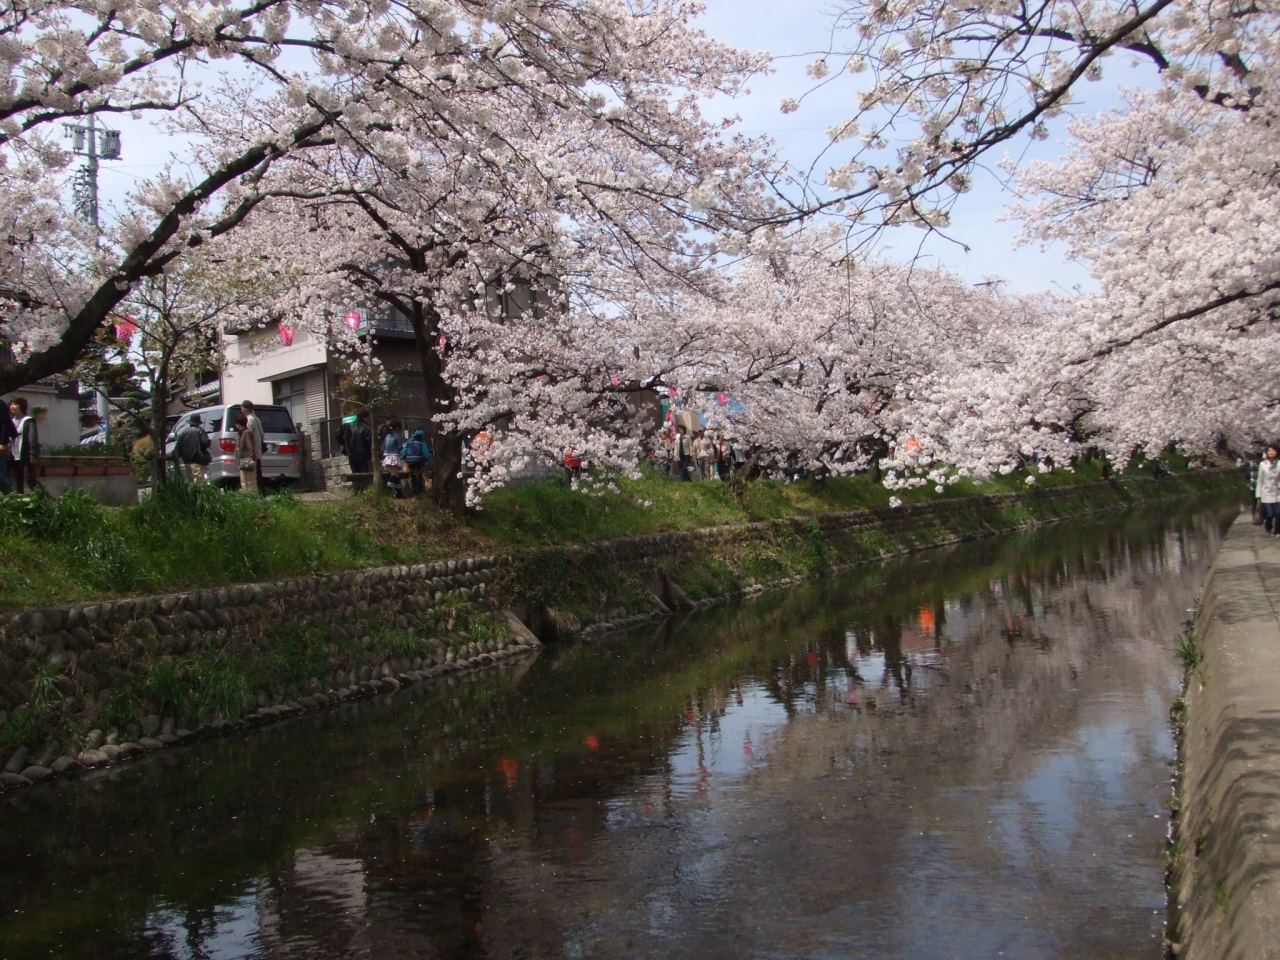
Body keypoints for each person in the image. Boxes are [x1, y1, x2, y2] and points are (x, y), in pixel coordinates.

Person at [9, 397, 39, 494]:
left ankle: (42, 499)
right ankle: (20, 502)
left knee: (30, 480)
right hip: (13, 456)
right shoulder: (11, 421)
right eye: (11, 404)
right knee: (17, 482)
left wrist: (33, 453)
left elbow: (32, 437)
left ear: (21, 406)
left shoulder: (28, 421)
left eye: (15, 404)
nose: (12, 407)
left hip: (24, 455)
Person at [174, 414, 212, 482]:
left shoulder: (184, 432)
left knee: (191, 480)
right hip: (197, 459)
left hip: (187, 461)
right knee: (199, 481)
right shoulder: (200, 431)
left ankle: (193, 492)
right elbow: (206, 443)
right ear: (198, 423)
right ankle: (199, 492)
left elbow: (178, 447)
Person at [240, 400, 265, 495]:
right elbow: (262, 434)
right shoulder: (256, 419)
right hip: (257, 451)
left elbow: (248, 436)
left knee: (252, 479)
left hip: (252, 453)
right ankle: (261, 495)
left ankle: (257, 497)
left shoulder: (249, 420)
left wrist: (249, 453)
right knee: (258, 476)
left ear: (243, 409)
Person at [1257, 445, 1280, 534]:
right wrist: (1258, 494)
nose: (1271, 452)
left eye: (1273, 451)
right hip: (1266, 492)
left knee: (1278, 513)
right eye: (1269, 451)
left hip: (1278, 491)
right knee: (1270, 514)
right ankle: (1268, 525)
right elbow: (1260, 480)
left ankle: (1277, 531)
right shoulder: (1263, 464)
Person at [381, 418, 405, 497]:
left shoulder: (387, 435)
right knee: (394, 475)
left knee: (397, 476)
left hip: (387, 456)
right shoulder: (397, 436)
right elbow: (399, 447)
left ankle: (399, 493)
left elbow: (383, 446)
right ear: (398, 428)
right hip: (394, 456)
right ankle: (386, 490)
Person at [235, 418, 258, 494]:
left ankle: (253, 499)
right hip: (243, 460)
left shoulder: (247, 433)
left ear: (238, 424)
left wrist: (251, 458)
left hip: (248, 460)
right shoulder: (242, 433)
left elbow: (250, 446)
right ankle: (246, 499)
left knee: (250, 482)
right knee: (243, 482)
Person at [403, 428, 430, 494]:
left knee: (412, 474)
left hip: (410, 460)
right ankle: (419, 489)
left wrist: (404, 457)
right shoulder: (421, 443)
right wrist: (426, 459)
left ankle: (414, 488)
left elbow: (404, 451)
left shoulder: (408, 442)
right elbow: (425, 452)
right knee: (418, 474)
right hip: (418, 461)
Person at [0, 401, 16, 495]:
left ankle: (11, 498)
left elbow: (4, 424)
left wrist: (2, 443)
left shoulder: (1, 405)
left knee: (1, 474)